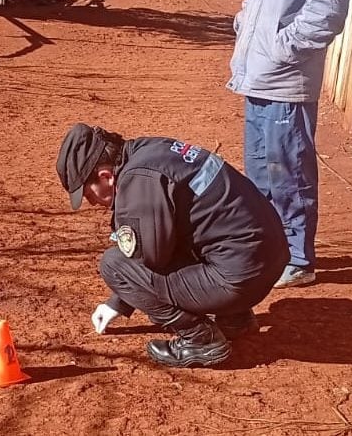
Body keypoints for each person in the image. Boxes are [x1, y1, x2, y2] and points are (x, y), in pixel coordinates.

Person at [225, 0, 352, 288]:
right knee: (259, 171)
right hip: (258, 73)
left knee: (289, 168)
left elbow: (326, 13)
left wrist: (280, 47)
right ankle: (270, 247)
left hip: (287, 77)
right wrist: (247, 29)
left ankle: (298, 258)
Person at [56, 123, 289, 368]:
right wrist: (118, 302)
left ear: (106, 176)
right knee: (194, 231)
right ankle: (235, 317)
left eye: (87, 194)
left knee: (114, 264)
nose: (91, 203)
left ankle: (200, 339)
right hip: (269, 259)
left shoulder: (138, 181)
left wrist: (123, 291)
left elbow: (150, 261)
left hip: (239, 278)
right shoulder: (152, 150)